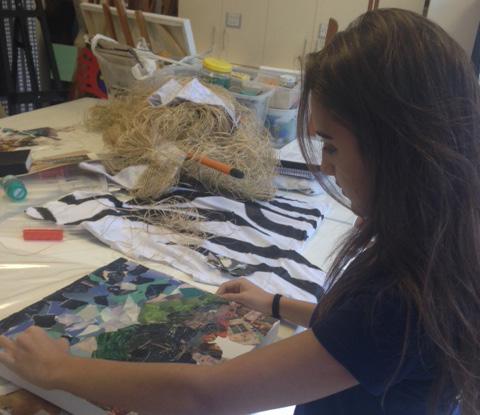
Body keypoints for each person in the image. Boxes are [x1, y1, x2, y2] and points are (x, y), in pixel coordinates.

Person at [1, 8, 479, 415]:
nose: (327, 168)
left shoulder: (404, 293)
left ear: (394, 148)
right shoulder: (438, 241)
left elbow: (205, 396)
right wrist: (276, 304)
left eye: (331, 146)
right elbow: (352, 331)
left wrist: (57, 370)